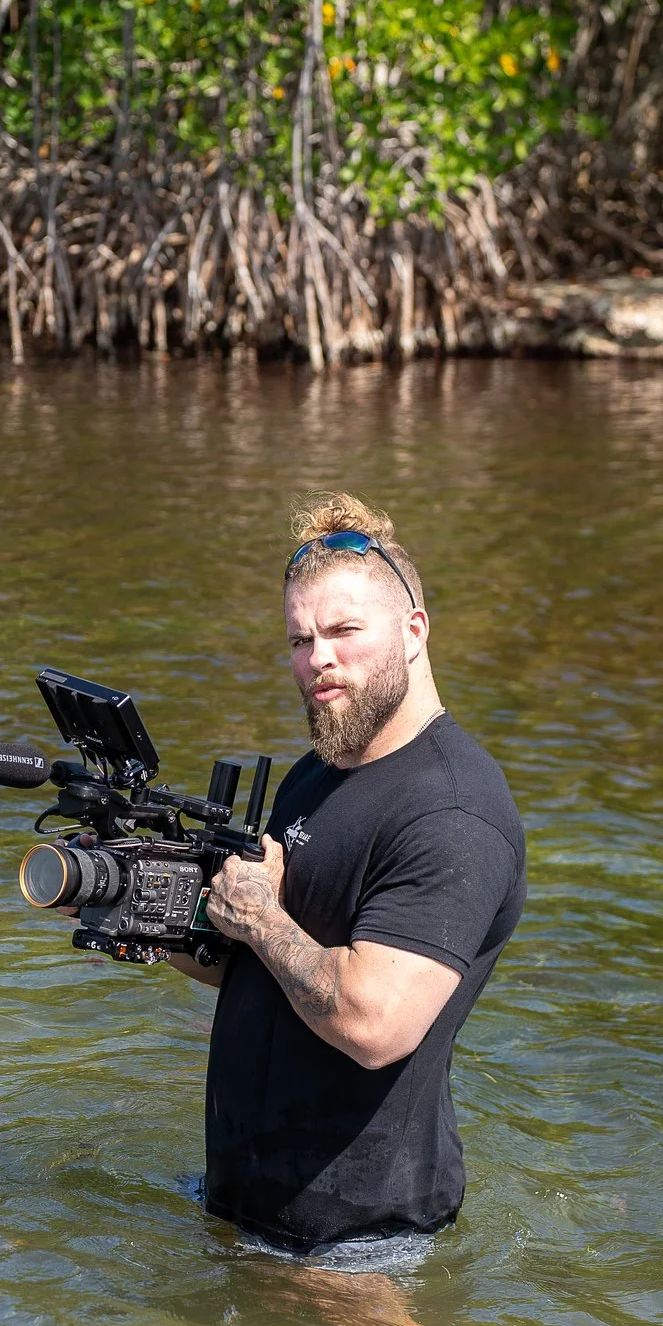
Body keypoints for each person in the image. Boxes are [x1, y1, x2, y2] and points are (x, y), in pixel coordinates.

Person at [186, 492, 527, 1262]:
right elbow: (261, 962)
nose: (318, 659)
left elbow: (374, 1024)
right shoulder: (320, 771)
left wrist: (262, 918)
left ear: (414, 631)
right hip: (243, 1198)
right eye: (301, 639)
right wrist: (136, 910)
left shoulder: (453, 811)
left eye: (343, 631)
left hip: (359, 1238)